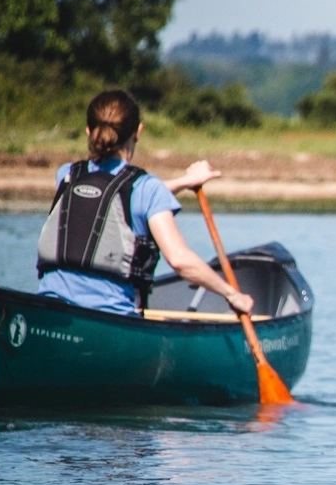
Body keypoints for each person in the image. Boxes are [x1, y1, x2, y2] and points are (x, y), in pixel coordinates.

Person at [36, 89, 254, 318]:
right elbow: (180, 260)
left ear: (89, 131)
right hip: (112, 318)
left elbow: (113, 196)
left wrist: (184, 182)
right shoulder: (147, 189)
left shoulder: (66, 176)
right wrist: (232, 295)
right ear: (138, 131)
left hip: (50, 311)